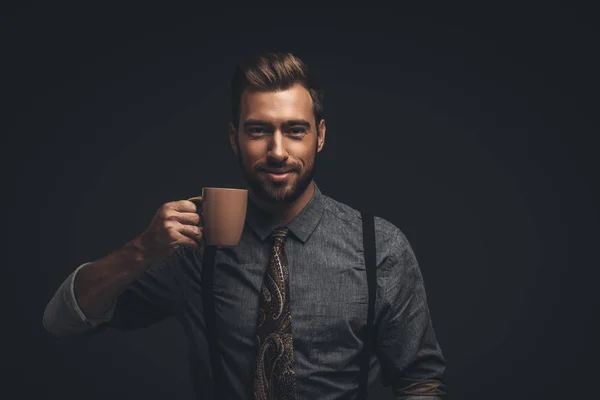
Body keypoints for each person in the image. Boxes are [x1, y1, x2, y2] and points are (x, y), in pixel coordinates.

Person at [43, 51, 447, 399]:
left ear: (319, 137)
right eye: (258, 131)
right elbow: (62, 321)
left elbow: (420, 380)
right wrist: (141, 250)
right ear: (235, 138)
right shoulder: (193, 245)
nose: (277, 151)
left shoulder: (380, 247)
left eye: (295, 131)